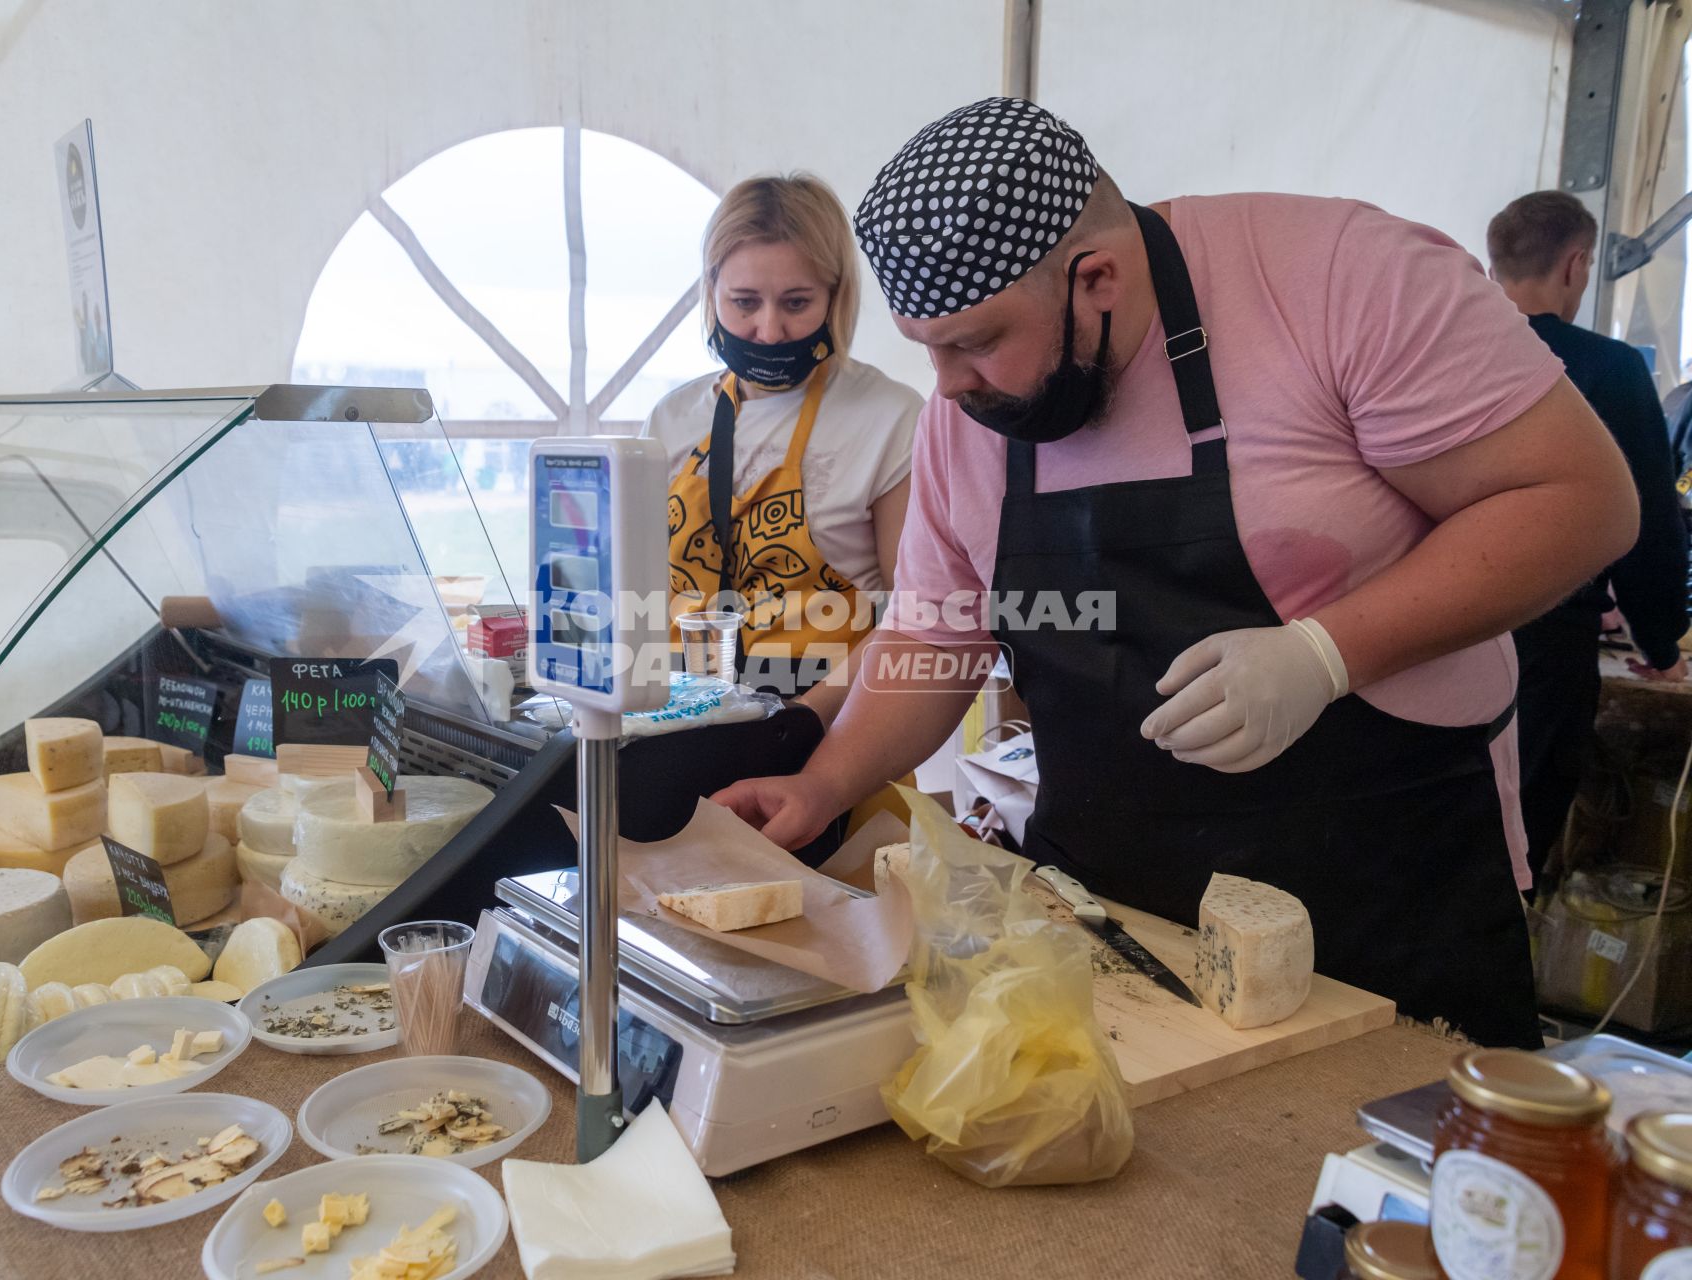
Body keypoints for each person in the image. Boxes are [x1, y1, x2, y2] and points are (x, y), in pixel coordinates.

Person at [715, 98, 1642, 1047]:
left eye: (978, 342)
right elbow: (935, 635)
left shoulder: (1340, 278)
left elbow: (1580, 500)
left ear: (1099, 280)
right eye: (927, 349)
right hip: (1107, 921)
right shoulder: (970, 415)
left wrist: (1325, 654)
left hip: (1383, 896)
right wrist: (824, 783)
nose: (946, 386)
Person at [643, 173, 920, 726]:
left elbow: (913, 619)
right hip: (678, 722)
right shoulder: (671, 418)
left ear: (837, 296)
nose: (768, 330)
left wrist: (799, 720)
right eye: (743, 302)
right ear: (711, 291)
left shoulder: (890, 417)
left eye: (796, 302)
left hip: (828, 728)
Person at [1486, 191, 1689, 887]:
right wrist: (1661, 644)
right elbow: (1646, 526)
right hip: (1546, 642)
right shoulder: (1608, 369)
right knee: (1517, 844)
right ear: (1576, 266)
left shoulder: (1442, 353)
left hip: (1429, 634)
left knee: (1434, 825)